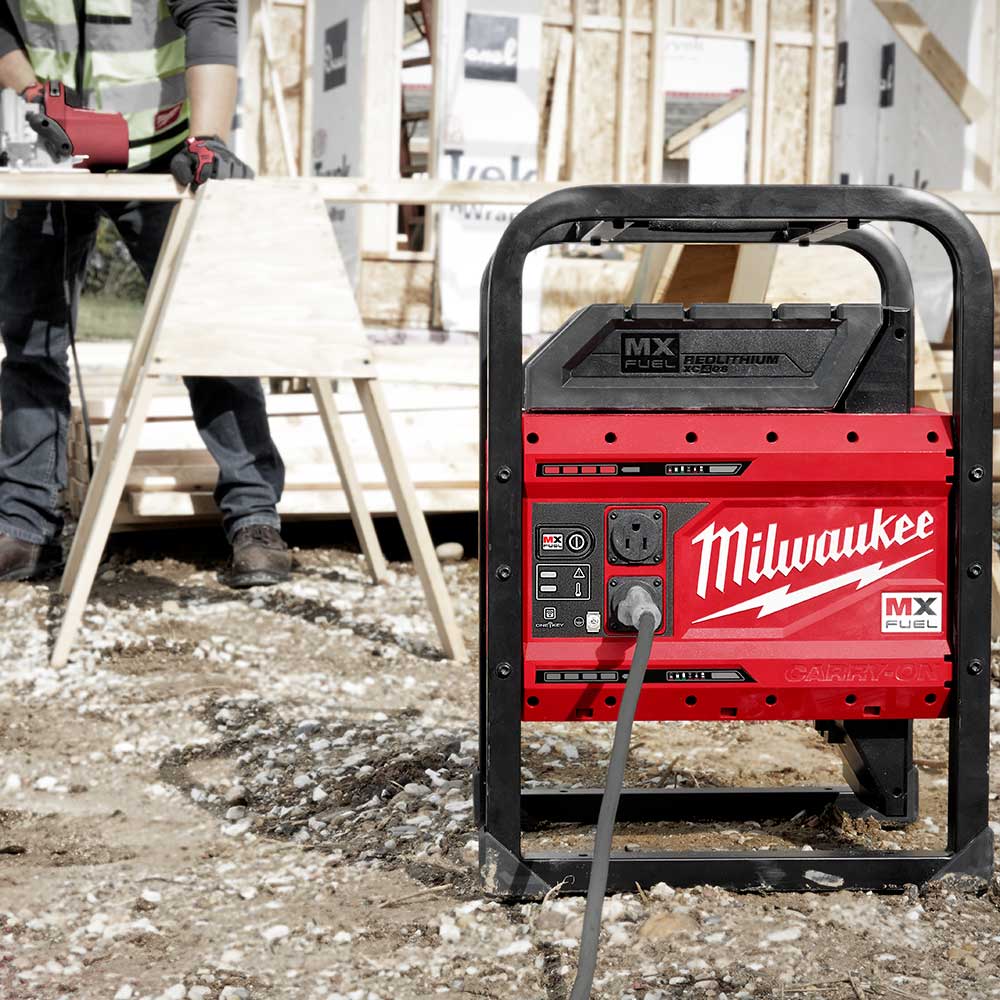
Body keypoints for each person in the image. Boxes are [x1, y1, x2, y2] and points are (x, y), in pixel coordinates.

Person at [0, 0, 292, 587]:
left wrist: (209, 139)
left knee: (207, 336)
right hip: (55, 151)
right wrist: (32, 91)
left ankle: (254, 518)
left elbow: (210, 16)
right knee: (31, 339)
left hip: (163, 153)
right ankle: (25, 528)